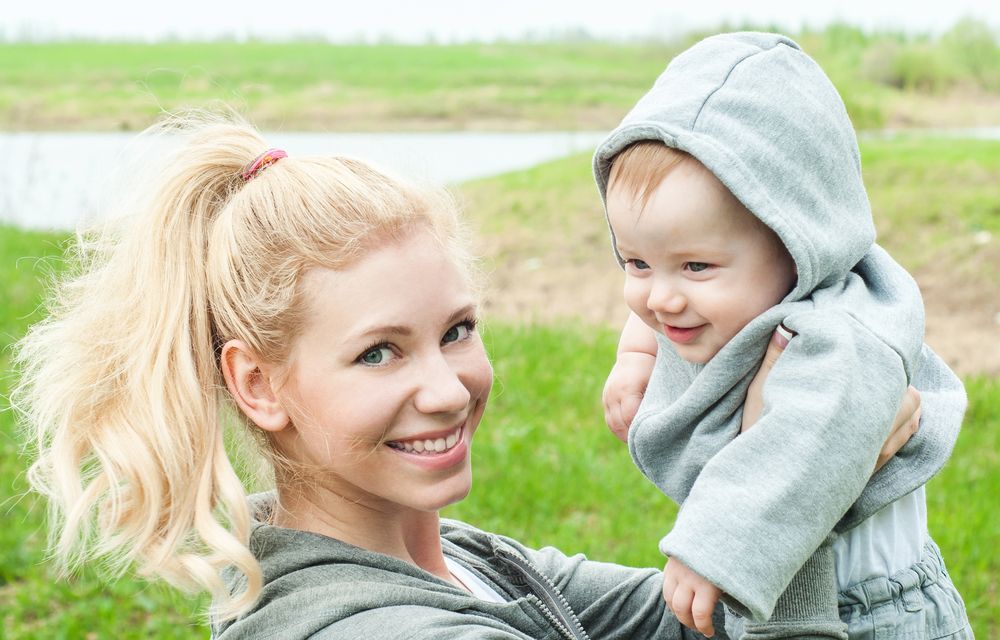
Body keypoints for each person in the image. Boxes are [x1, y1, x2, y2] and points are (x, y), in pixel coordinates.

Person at [14, 111, 919, 640]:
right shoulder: (377, 627)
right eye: (379, 352)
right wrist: (793, 480)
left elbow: (699, 616)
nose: (447, 388)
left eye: (456, 331)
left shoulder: (470, 561)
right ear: (257, 385)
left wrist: (793, 433)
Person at [595, 32, 972, 638]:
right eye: (635, 263)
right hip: (770, 586)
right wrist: (637, 352)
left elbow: (807, 437)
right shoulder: (717, 298)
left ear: (796, 243)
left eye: (695, 266)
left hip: (874, 610)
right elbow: (657, 307)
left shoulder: (836, 338)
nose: (659, 297)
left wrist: (714, 543)